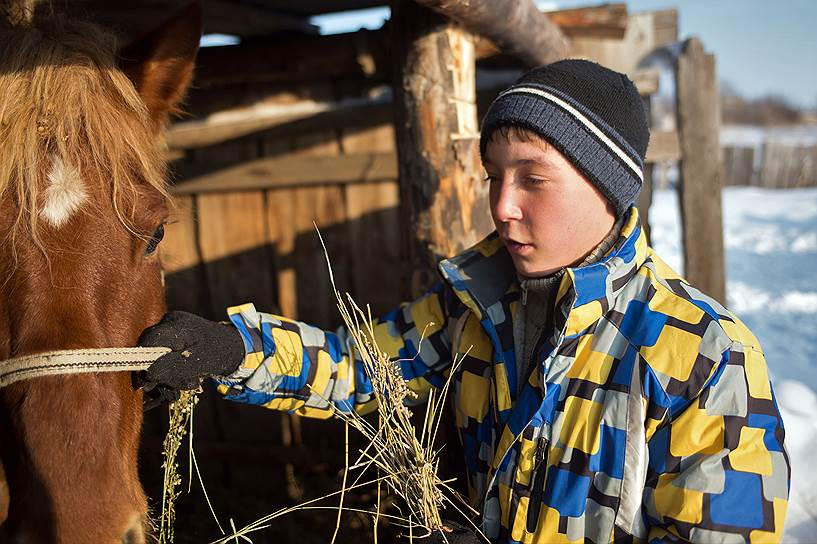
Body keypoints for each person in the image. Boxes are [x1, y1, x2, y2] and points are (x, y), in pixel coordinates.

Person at [139, 60, 791, 543]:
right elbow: (360, 370)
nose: (502, 206)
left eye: (533, 179)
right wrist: (231, 351)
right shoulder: (474, 309)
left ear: (607, 189)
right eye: (493, 178)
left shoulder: (706, 355)